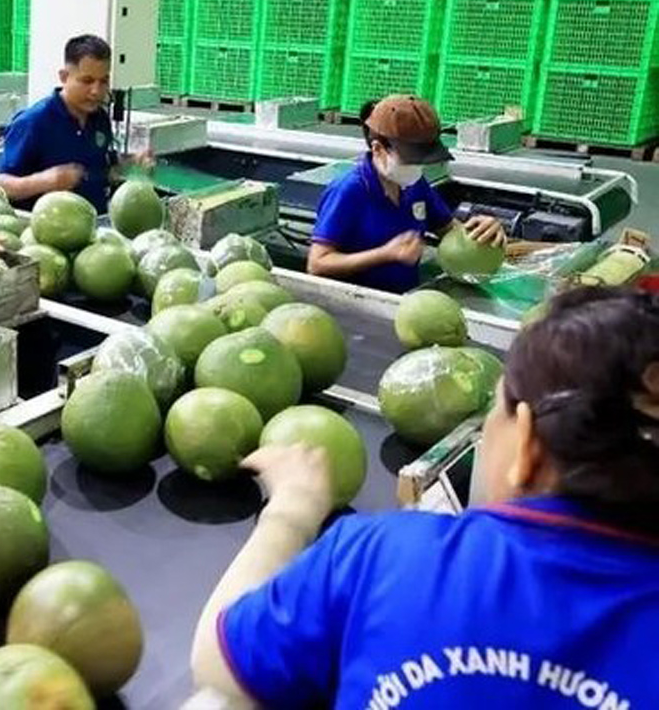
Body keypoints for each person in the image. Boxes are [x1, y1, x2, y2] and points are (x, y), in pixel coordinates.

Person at [190, 285, 659, 708]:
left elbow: (216, 660)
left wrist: (291, 511)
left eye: (494, 410)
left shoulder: (387, 555)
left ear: (528, 445)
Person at [307, 94, 505, 293]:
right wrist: (384, 254)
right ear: (378, 149)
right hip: (356, 305)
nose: (417, 167)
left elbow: (448, 230)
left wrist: (481, 233)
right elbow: (317, 264)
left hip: (404, 300)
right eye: (410, 159)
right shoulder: (349, 190)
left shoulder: (415, 185)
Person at [0, 34, 121, 212]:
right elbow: (1, 185)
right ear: (64, 76)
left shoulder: (99, 117)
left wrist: (131, 166)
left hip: (93, 226)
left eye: (104, 81)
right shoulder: (34, 122)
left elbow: (102, 168)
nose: (96, 91)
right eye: (87, 81)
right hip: (47, 231)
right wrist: (45, 181)